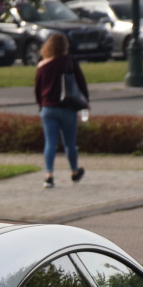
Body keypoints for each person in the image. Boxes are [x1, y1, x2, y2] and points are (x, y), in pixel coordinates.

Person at [33, 32, 88, 189]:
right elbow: (81, 82)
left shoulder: (42, 65)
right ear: (65, 46)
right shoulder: (70, 61)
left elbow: (37, 89)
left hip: (48, 109)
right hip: (67, 108)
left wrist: (40, 104)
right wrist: (86, 101)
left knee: (50, 143)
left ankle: (48, 175)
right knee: (70, 144)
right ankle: (74, 171)